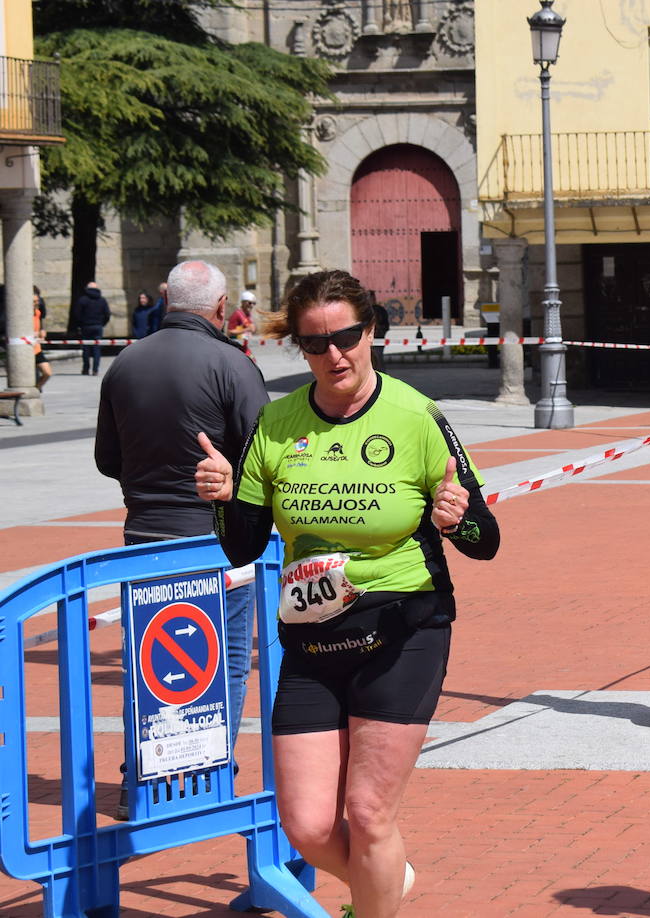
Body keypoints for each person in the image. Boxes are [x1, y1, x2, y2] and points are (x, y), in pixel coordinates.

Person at [194, 269, 500, 918]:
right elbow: (243, 548)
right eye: (315, 343)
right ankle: (384, 881)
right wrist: (223, 499)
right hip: (312, 639)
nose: (334, 354)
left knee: (367, 813)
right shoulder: (276, 423)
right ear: (299, 347)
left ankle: (375, 890)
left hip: (402, 630)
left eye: (347, 337)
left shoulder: (416, 417)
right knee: (306, 826)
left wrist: (457, 520)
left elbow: (485, 539)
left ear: (371, 332)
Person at [94, 261, 268, 819]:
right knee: (227, 658)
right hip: (216, 539)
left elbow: (107, 459)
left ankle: (140, 782)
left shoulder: (125, 363)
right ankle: (209, 774)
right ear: (221, 308)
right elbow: (263, 457)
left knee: (146, 662)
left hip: (143, 537)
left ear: (167, 300)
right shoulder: (232, 364)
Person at [72, 280, 111, 375]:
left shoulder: (82, 300)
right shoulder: (102, 300)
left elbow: (77, 314)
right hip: (98, 326)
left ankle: (86, 369)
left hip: (86, 327)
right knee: (97, 349)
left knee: (86, 348)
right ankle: (95, 370)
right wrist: (102, 324)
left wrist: (80, 324)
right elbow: (107, 314)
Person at [32, 289, 52, 391]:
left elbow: (39, 327)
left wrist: (42, 331)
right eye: (34, 301)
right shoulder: (23, 316)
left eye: (37, 301)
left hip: (36, 349)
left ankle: (36, 389)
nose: (37, 303)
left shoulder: (37, 313)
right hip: (26, 350)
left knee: (47, 372)